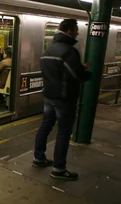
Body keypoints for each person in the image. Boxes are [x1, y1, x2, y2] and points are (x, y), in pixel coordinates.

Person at [33, 19, 91, 180]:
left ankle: (38, 158)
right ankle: (58, 168)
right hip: (64, 98)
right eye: (76, 30)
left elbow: (55, 72)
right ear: (70, 30)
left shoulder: (47, 51)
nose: (77, 33)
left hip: (49, 96)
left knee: (45, 126)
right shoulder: (69, 51)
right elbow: (76, 74)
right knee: (64, 132)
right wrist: (87, 72)